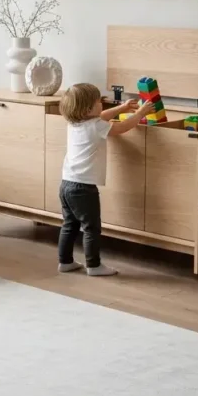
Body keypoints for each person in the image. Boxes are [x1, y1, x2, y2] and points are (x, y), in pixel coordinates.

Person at [57, 83, 153, 276]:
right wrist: (140, 113)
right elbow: (121, 127)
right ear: (87, 109)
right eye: (98, 102)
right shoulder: (96, 127)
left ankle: (65, 262)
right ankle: (93, 265)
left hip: (67, 183)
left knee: (69, 224)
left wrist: (123, 108)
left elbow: (101, 117)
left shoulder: (75, 123)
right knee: (92, 228)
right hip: (84, 188)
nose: (102, 104)